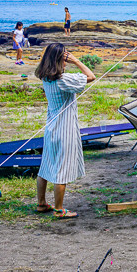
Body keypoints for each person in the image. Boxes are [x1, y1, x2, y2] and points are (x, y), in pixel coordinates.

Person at [34, 43, 96, 218]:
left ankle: (41, 204)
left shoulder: (46, 78)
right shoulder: (63, 80)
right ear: (59, 59)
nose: (66, 61)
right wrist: (77, 61)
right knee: (62, 170)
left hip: (51, 127)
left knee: (46, 166)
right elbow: (91, 76)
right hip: (65, 129)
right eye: (64, 58)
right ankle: (60, 210)